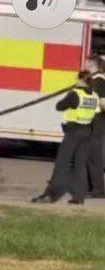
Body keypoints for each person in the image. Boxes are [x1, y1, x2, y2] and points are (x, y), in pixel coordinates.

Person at [32, 70, 100, 205]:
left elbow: (60, 107)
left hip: (74, 131)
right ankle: (79, 197)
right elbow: (96, 111)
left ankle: (50, 195)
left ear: (80, 80)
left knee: (62, 163)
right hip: (87, 131)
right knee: (80, 165)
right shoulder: (94, 96)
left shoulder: (75, 94)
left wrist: (70, 94)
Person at [84, 53, 105, 198]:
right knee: (90, 155)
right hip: (93, 123)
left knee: (95, 156)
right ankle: (92, 186)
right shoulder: (95, 80)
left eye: (86, 63)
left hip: (97, 124)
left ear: (92, 64)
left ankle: (98, 189)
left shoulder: (99, 81)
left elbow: (102, 102)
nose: (84, 66)